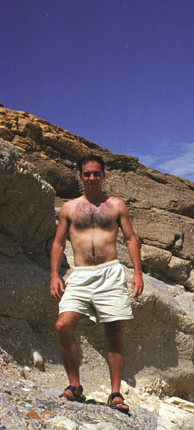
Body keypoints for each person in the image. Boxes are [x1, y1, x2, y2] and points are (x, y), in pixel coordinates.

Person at [50, 154, 144, 413]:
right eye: (87, 174)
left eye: (96, 173)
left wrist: (138, 272)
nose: (91, 178)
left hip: (110, 273)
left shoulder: (116, 206)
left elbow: (131, 238)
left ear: (104, 175)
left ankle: (115, 393)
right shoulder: (69, 208)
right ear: (80, 176)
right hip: (80, 275)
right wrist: (54, 275)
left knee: (113, 332)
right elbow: (58, 242)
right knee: (62, 325)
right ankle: (75, 385)